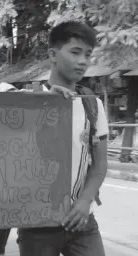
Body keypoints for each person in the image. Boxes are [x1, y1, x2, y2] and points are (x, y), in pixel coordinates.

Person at [16, 21, 109, 256]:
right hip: (36, 224)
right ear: (53, 55)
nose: (83, 61)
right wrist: (39, 100)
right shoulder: (26, 102)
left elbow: (99, 165)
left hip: (82, 222)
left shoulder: (93, 106)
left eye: (87, 54)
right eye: (75, 52)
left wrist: (85, 201)